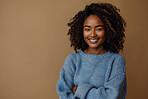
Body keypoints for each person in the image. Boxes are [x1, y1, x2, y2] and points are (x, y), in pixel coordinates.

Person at [56, 2, 127, 99]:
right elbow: (63, 94)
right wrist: (99, 92)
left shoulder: (116, 61)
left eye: (98, 29)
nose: (93, 34)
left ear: (108, 30)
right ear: (82, 31)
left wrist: (80, 90)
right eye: (87, 29)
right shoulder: (73, 59)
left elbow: (112, 96)